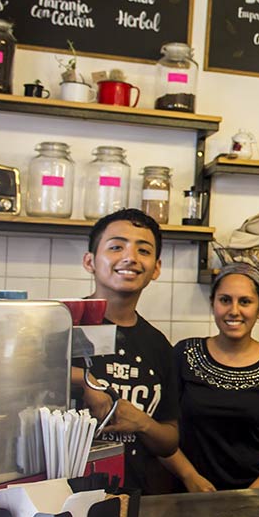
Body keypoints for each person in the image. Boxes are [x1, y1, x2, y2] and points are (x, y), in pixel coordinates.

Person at [161, 264, 259, 491]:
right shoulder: (184, 354)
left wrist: (254, 493)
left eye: (245, 302)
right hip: (190, 495)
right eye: (225, 300)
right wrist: (189, 476)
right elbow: (161, 428)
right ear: (213, 303)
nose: (234, 311)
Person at [72, 208, 180, 494]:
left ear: (156, 268)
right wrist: (85, 383)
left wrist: (142, 423)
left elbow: (169, 441)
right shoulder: (62, 324)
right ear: (90, 261)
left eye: (143, 250)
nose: (130, 257)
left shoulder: (158, 345)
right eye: (116, 247)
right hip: (62, 500)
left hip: (131, 500)